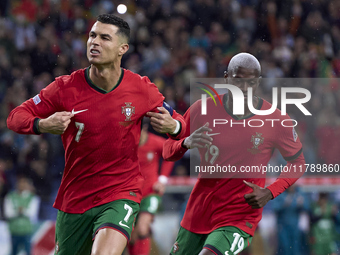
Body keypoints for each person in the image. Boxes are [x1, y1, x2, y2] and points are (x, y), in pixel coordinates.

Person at [7, 14, 186, 255]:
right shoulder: (65, 87)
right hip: (75, 198)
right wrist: (42, 124)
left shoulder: (140, 88)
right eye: (92, 35)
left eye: (104, 37)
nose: (94, 42)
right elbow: (16, 116)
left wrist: (172, 128)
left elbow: (181, 124)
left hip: (120, 192)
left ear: (123, 48)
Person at [163, 52, 306, 255]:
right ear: (226, 78)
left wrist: (270, 192)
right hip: (199, 210)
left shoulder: (275, 119)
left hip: (239, 215)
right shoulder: (202, 110)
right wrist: (185, 143)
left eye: (251, 82)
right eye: (238, 81)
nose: (245, 89)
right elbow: (168, 151)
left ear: (259, 82)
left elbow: (298, 162)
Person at [128, 120, 174, 255]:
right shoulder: (127, 145)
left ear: (145, 128)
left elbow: (170, 153)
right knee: (130, 233)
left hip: (150, 194)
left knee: (142, 228)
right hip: (131, 195)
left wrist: (163, 179)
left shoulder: (155, 142)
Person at [4, 176, 40, 255]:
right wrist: (21, 211)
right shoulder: (10, 196)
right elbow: (8, 213)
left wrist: (20, 211)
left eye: (24, 183)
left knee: (28, 251)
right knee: (14, 251)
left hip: (27, 230)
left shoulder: (33, 197)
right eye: (20, 183)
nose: (22, 185)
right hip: (14, 230)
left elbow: (32, 213)